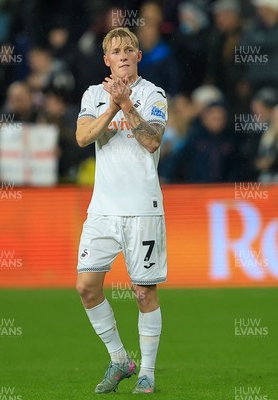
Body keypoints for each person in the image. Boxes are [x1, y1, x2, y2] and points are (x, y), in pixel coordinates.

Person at [75, 27, 167, 394]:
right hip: (102, 210)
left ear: (139, 57)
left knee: (143, 293)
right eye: (116, 50)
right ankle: (119, 359)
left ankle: (147, 371)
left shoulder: (153, 94)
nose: (124, 54)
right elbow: (83, 137)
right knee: (86, 286)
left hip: (143, 207)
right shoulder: (93, 95)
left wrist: (127, 104)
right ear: (106, 61)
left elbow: (152, 140)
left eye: (130, 48)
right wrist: (112, 104)